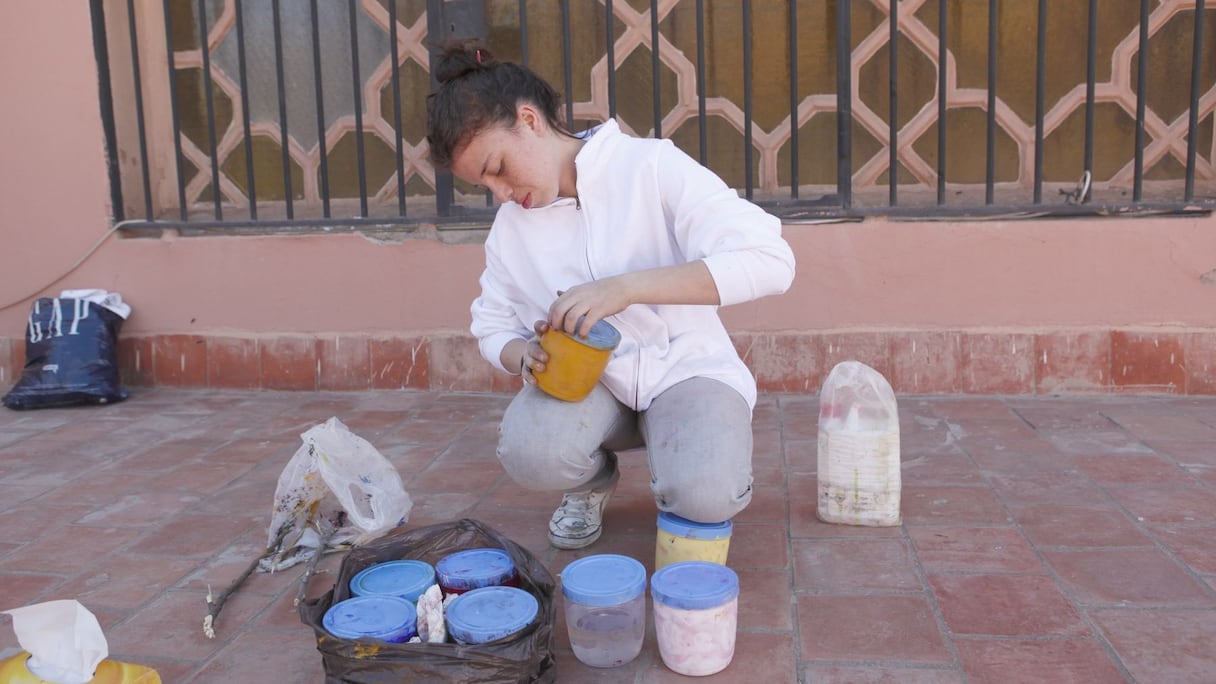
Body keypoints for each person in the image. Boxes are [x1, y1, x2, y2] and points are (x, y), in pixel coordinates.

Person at [426, 40, 795, 550]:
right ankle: (591, 481)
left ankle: (686, 463)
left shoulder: (650, 167)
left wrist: (625, 288)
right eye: (483, 186)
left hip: (687, 371)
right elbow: (491, 324)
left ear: (529, 121)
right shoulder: (511, 230)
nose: (502, 194)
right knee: (532, 452)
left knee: (706, 494)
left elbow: (771, 260)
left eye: (497, 168)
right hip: (593, 386)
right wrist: (522, 356)